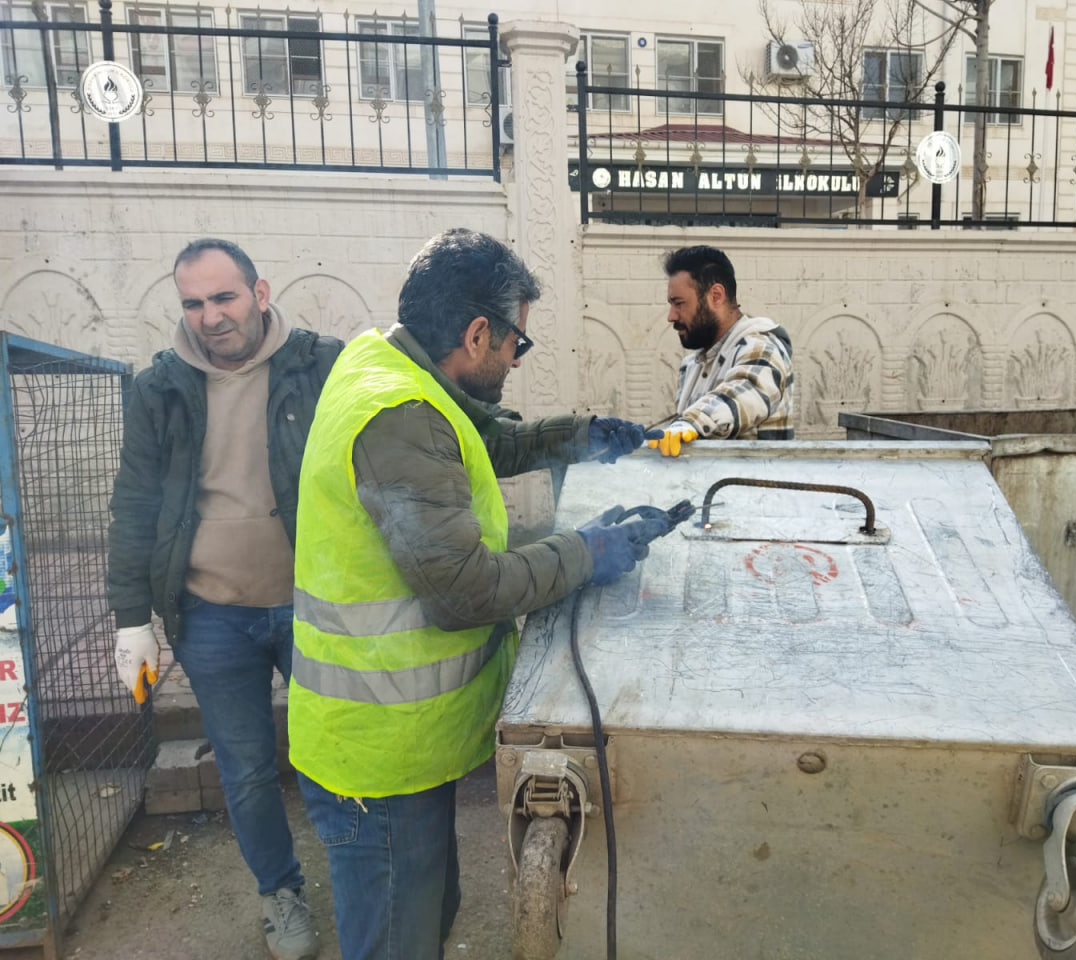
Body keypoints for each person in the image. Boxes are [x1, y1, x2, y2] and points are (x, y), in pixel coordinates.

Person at [287, 228, 660, 960]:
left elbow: (480, 438)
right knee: (400, 937)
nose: (516, 361)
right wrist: (588, 552)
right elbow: (461, 591)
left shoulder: (387, 363)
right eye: (516, 345)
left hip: (399, 746)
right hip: (378, 754)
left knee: (427, 914)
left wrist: (581, 437)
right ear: (477, 331)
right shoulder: (398, 414)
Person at [108, 238, 342, 960]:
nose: (210, 316)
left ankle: (362, 875)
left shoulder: (320, 365)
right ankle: (281, 894)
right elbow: (135, 503)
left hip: (314, 604)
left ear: (260, 291)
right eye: (193, 303)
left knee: (335, 754)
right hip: (209, 613)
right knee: (244, 769)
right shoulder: (160, 388)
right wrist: (130, 621)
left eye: (224, 297)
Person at [646, 244, 795, 457]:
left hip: (755, 488)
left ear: (716, 296)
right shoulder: (692, 366)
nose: (672, 316)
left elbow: (747, 390)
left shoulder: (761, 346)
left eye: (679, 303)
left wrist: (691, 423)